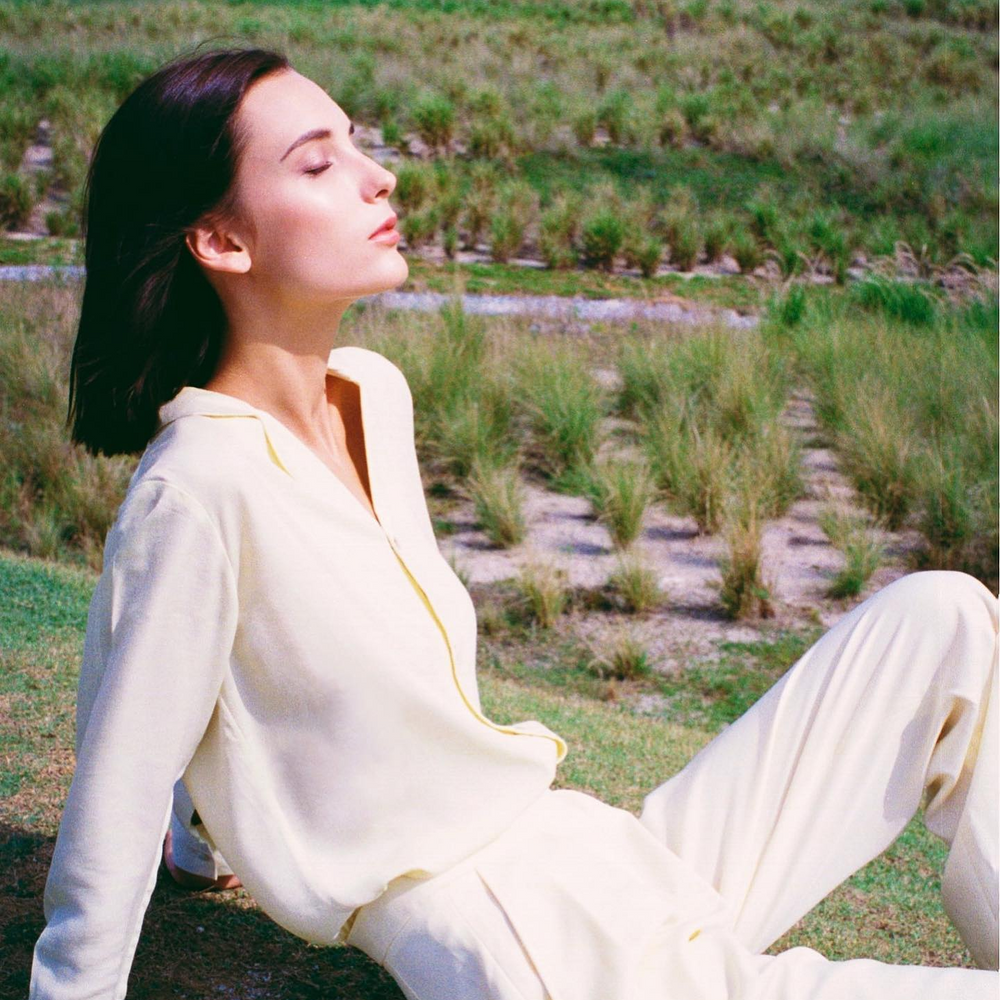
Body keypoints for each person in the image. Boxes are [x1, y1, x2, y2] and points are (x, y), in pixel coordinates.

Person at [28, 45, 998, 1000]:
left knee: (946, 617)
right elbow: (119, 778)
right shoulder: (196, 488)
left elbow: (260, 678)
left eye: (359, 144)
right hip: (530, 948)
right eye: (319, 164)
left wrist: (202, 844)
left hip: (599, 854)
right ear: (221, 242)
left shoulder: (370, 392)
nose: (378, 176)